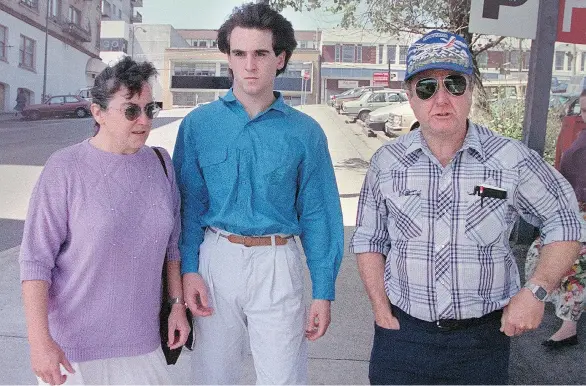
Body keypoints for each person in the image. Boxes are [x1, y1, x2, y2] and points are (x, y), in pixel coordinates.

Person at [350, 30, 586, 385]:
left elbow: (566, 221)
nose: (441, 99)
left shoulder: (510, 160)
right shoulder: (388, 163)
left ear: (471, 90)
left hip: (481, 343)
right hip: (401, 337)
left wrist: (536, 290)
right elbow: (369, 238)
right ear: (411, 97)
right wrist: (380, 308)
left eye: (454, 84)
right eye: (427, 87)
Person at [173, 3, 344, 384]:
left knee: (283, 378)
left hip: (277, 263)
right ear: (229, 59)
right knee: (213, 377)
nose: (250, 65)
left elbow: (319, 214)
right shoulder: (199, 125)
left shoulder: (305, 132)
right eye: (240, 53)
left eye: (261, 53)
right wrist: (188, 270)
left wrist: (323, 290)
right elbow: (187, 207)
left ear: (280, 58)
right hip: (216, 259)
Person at [19, 56, 190, 385]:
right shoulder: (64, 168)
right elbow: (36, 261)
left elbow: (172, 248)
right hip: (73, 351)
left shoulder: (161, 164)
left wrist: (177, 305)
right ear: (98, 112)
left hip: (142, 343)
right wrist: (40, 343)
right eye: (130, 110)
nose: (143, 120)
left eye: (149, 109)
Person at [525, 88, 586, 349]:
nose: (585, 116)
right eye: (583, 110)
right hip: (576, 208)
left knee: (574, 260)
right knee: (539, 250)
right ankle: (543, 297)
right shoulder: (580, 133)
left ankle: (569, 325)